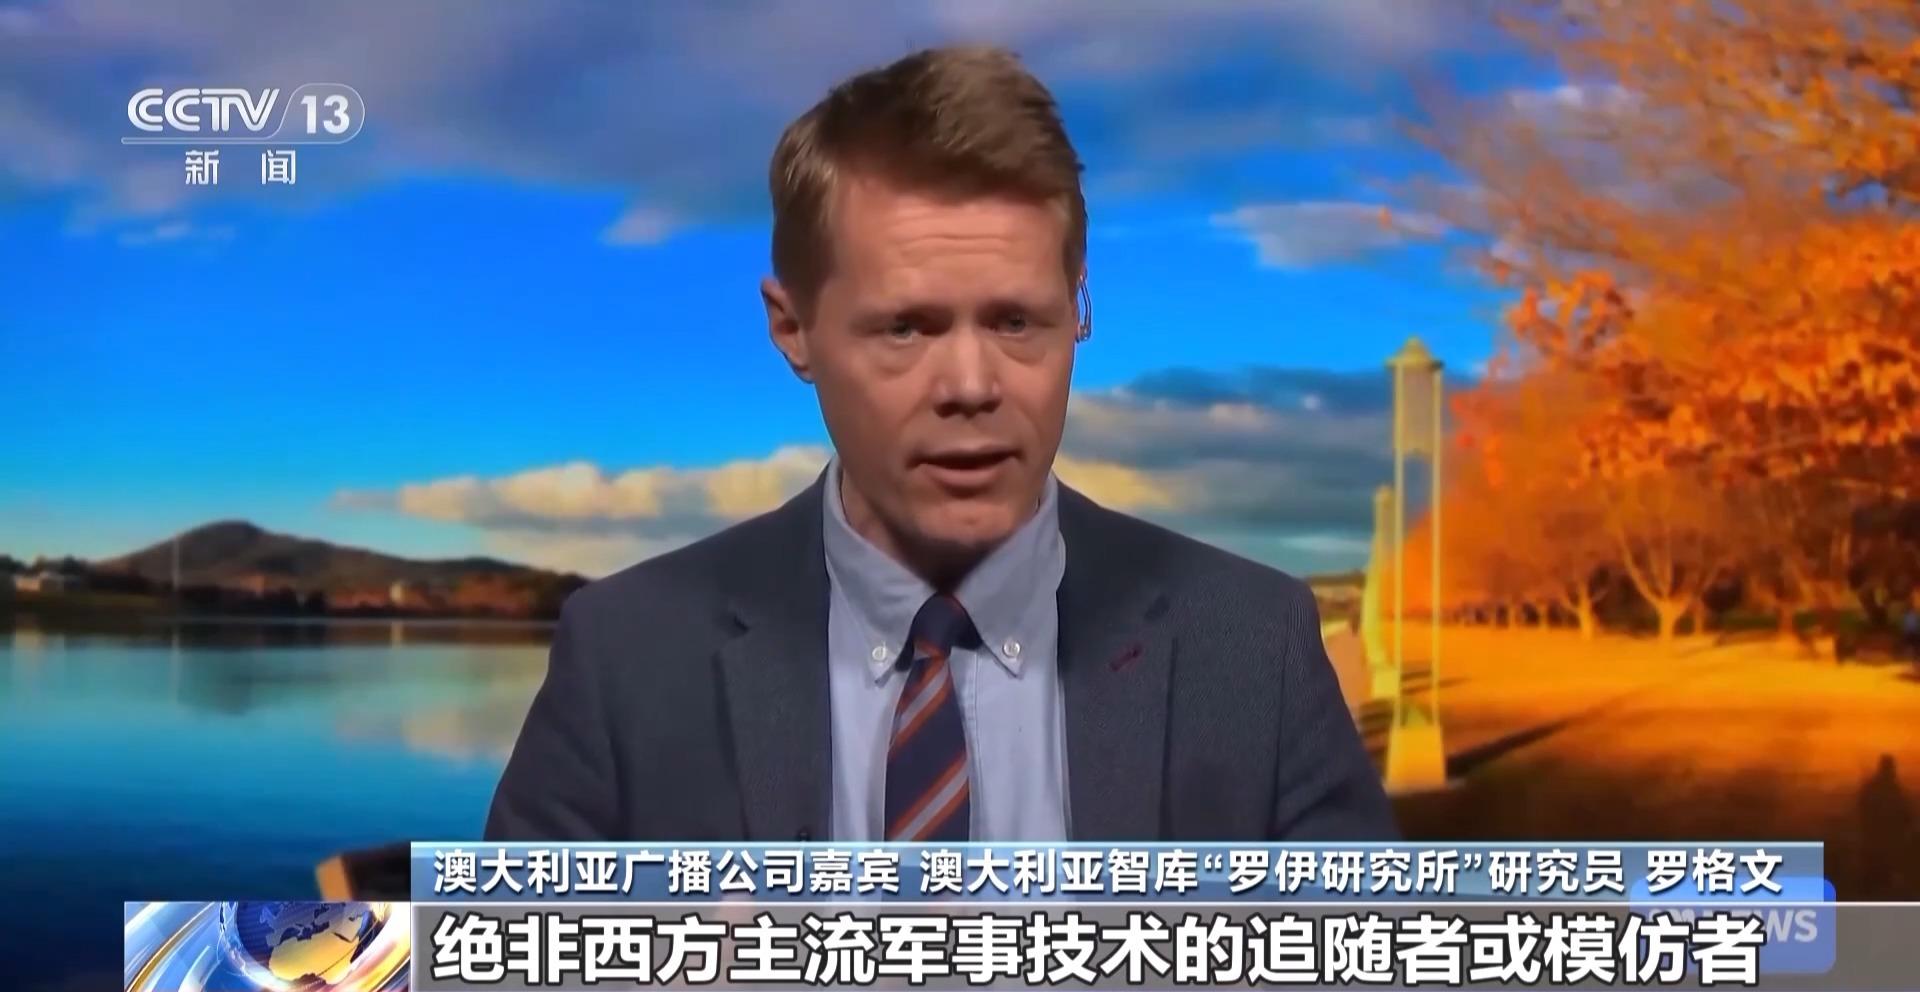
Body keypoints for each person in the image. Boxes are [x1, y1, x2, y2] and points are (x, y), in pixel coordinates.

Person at [486, 46, 1397, 843]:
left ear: (1078, 310)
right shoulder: (628, 658)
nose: (971, 386)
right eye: (907, 329)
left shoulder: (1252, 649)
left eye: (1015, 322)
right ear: (793, 328)